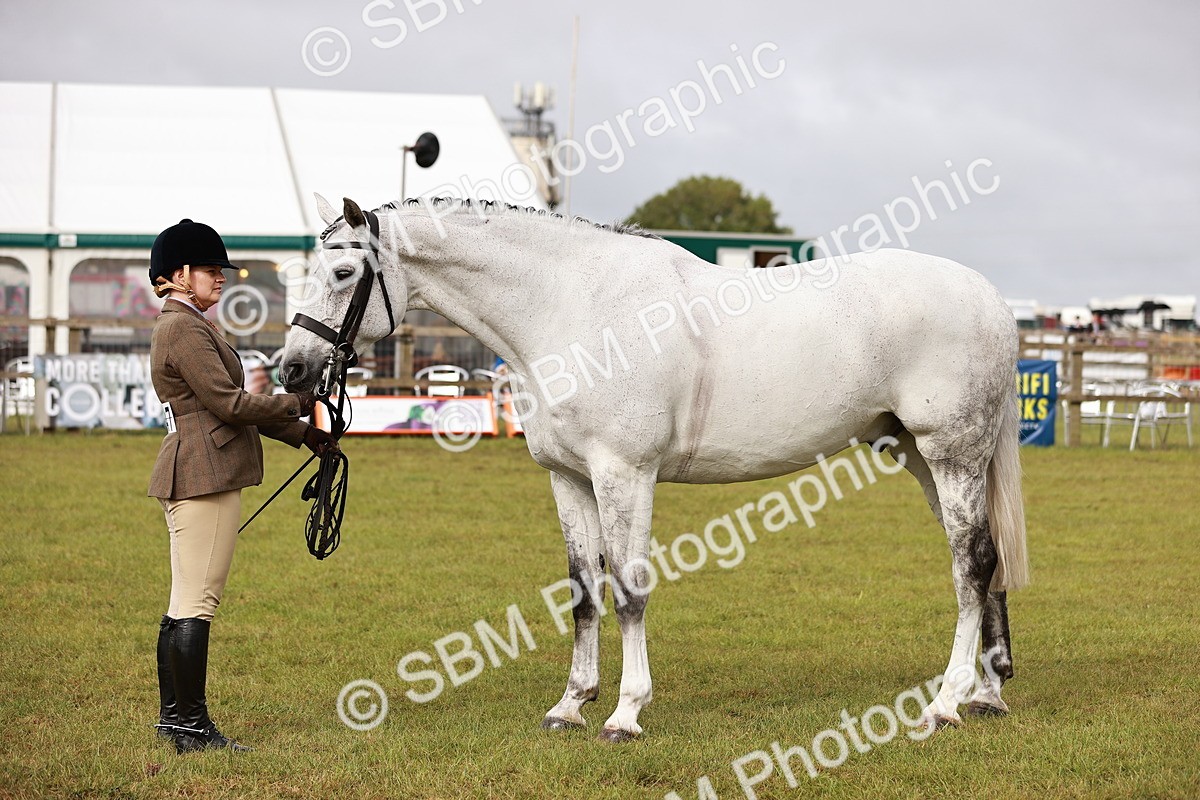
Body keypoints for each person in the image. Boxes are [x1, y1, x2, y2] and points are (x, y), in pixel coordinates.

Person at [146, 219, 338, 754]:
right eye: (210, 269)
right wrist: (300, 403)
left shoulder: (188, 324)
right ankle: (190, 727)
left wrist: (305, 436)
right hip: (203, 475)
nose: (220, 278)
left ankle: (175, 721)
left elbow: (233, 405)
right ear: (179, 275)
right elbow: (229, 405)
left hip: (200, 469)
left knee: (184, 600)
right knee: (196, 603)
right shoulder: (183, 329)